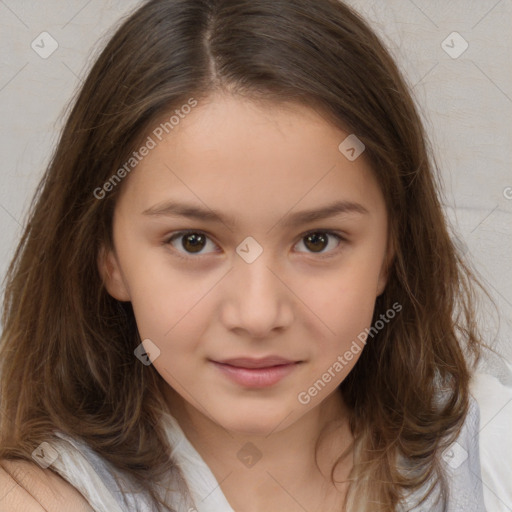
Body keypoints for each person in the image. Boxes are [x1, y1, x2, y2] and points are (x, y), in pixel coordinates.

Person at [0, 0, 499, 510]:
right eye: (193, 241)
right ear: (108, 257)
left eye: (317, 240)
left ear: (390, 252)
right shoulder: (38, 500)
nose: (258, 315)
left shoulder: (489, 456)